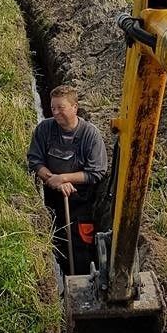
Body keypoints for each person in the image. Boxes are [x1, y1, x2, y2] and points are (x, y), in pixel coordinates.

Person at [27, 85, 108, 275]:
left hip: (81, 201)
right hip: (53, 198)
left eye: (60, 108)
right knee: (58, 243)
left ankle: (84, 277)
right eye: (52, 108)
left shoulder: (90, 135)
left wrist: (63, 177)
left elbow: (96, 172)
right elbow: (35, 160)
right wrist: (52, 180)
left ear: (74, 107)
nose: (55, 113)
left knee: (81, 246)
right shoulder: (45, 129)